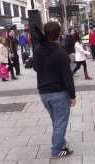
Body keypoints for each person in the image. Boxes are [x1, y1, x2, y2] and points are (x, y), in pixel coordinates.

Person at [33, 22, 75, 159]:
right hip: (59, 93)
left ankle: (60, 143)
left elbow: (35, 68)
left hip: (44, 93)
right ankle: (56, 150)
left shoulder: (39, 50)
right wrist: (72, 95)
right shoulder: (61, 52)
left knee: (56, 121)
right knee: (60, 122)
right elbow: (67, 76)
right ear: (59, 34)